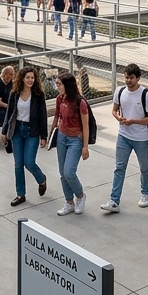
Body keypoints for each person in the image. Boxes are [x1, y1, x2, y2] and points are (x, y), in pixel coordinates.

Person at [100, 63, 148, 214]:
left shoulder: (146, 95)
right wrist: (118, 117)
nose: (128, 80)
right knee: (119, 167)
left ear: (138, 78)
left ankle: (145, 193)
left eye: (131, 78)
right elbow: (114, 110)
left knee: (144, 167)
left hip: (141, 138)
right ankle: (114, 200)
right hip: (123, 135)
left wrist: (133, 121)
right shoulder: (120, 91)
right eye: (126, 77)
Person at [4, 66, 48, 207]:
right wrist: (4, 131)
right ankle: (20, 194)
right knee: (18, 164)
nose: (30, 80)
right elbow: (9, 114)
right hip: (17, 130)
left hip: (32, 132)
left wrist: (44, 136)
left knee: (29, 162)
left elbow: (43, 116)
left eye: (32, 78)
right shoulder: (14, 93)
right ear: (22, 78)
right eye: (27, 77)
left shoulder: (38, 95)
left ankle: (41, 179)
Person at [50, 72, 91, 216]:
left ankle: (80, 196)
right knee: (62, 173)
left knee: (69, 172)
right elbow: (57, 117)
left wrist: (85, 146)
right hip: (61, 136)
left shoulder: (80, 102)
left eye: (59, 84)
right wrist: (50, 137)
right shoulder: (59, 99)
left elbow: (86, 126)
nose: (57, 86)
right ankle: (69, 202)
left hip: (76, 139)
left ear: (67, 85)